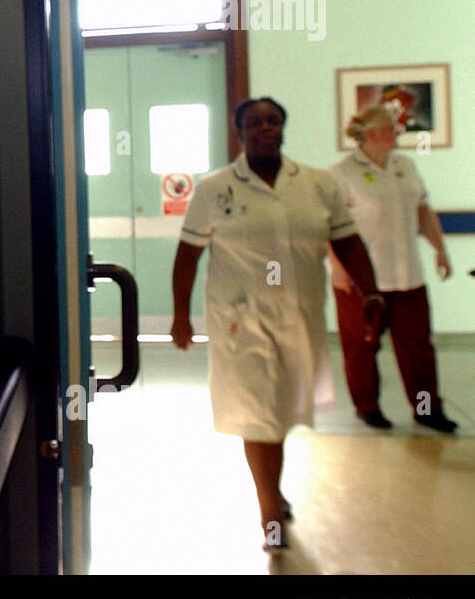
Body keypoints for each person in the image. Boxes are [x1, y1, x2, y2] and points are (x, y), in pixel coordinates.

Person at [170, 97, 383, 551]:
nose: (265, 128)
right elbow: (188, 255)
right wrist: (180, 316)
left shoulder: (317, 184)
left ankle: (273, 492)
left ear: (284, 127)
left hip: (300, 316)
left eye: (273, 120)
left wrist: (372, 293)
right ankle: (269, 513)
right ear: (239, 132)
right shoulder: (216, 188)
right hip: (239, 320)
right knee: (258, 414)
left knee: (280, 411)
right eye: (254, 122)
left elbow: (349, 243)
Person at [328, 105, 458, 433]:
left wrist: (440, 250)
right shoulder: (342, 173)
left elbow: (424, 211)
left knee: (419, 350)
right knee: (361, 347)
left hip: (408, 277)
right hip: (361, 281)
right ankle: (368, 408)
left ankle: (427, 410)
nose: (397, 134)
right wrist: (338, 268)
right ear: (372, 134)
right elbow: (328, 226)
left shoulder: (406, 165)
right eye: (391, 129)